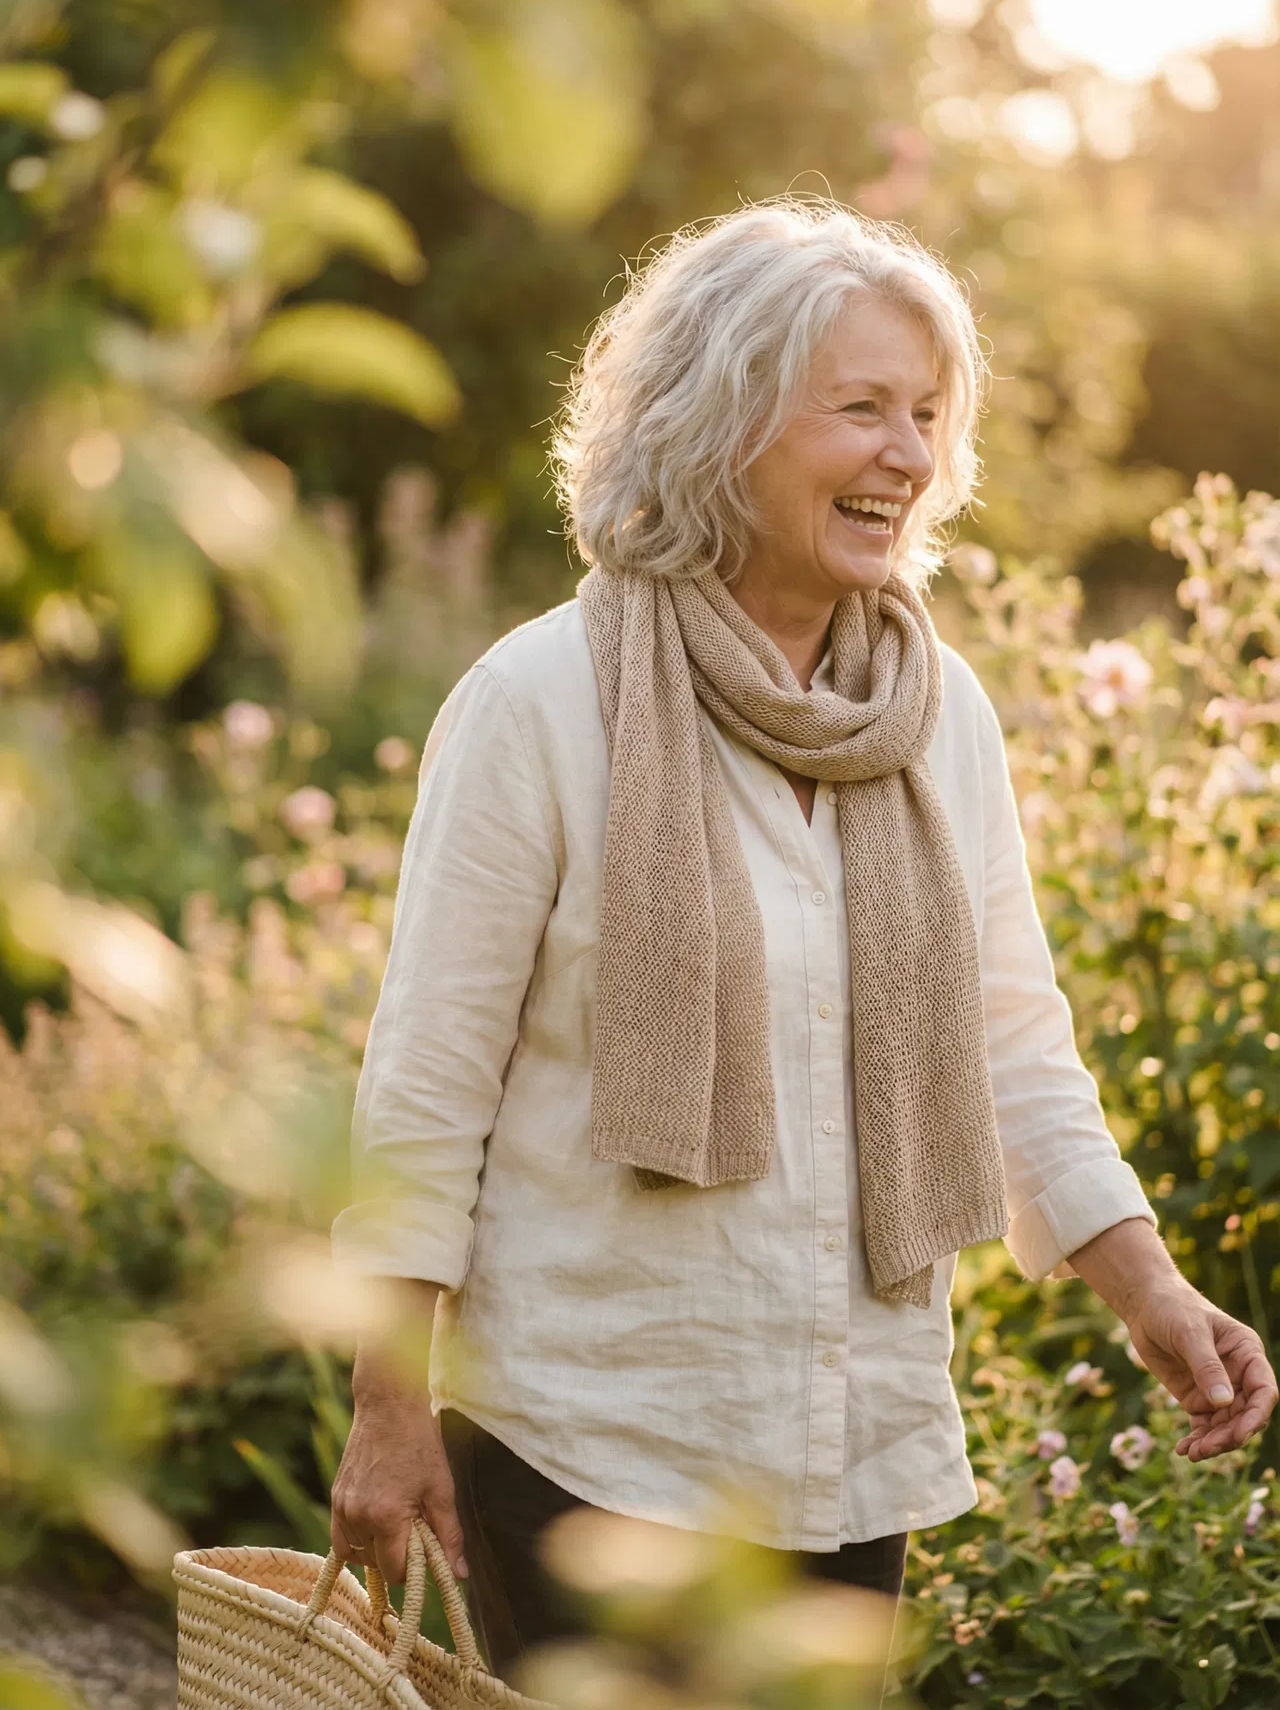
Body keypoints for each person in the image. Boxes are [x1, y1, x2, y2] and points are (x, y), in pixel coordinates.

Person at [329, 201, 1276, 1678]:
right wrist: (387, 1408)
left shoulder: (932, 712)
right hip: (590, 1447)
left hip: (850, 1442)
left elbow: (1010, 1037)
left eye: (925, 415)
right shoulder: (543, 703)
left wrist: (1150, 1289)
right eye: (860, 410)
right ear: (724, 423)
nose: (908, 454)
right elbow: (428, 1083)